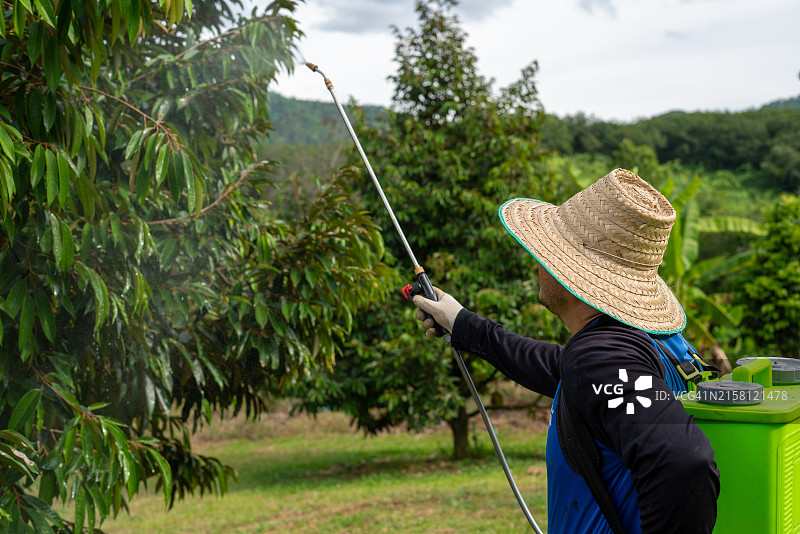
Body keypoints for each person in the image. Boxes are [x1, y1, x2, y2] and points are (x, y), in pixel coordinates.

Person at [413, 169, 720, 534]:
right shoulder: (649, 343)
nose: (537, 262)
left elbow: (684, 464)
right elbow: (564, 373)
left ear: (570, 271)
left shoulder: (602, 357)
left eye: (548, 251)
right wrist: (462, 323)